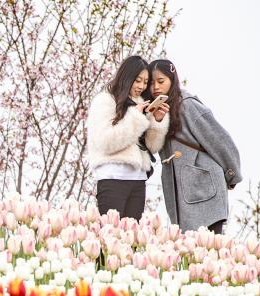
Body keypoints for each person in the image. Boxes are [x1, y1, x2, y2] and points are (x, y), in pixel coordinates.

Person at [149, 58, 241, 234]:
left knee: (211, 251)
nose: (156, 88)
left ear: (172, 80)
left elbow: (218, 138)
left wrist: (232, 174)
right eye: (152, 83)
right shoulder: (156, 111)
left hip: (205, 189)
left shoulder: (187, 104)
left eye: (161, 81)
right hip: (184, 194)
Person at [87, 55, 170, 222]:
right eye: (137, 80)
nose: (141, 86)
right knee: (110, 240)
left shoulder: (140, 103)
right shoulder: (105, 101)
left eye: (145, 82)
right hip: (113, 178)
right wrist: (136, 118)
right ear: (126, 77)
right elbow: (106, 142)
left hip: (138, 180)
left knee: (130, 241)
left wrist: (157, 120)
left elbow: (151, 146)